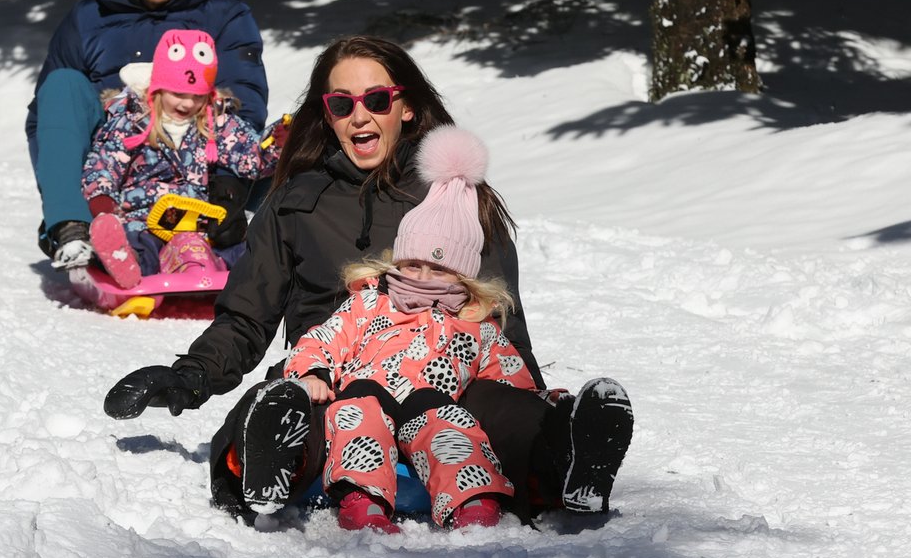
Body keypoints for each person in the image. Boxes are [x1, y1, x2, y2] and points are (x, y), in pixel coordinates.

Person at [103, 35, 633, 524]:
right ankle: (274, 459)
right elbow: (248, 315)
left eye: (376, 99)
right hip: (332, 380)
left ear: (407, 107)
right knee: (291, 404)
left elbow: (501, 327)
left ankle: (567, 454)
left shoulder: (454, 197)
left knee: (499, 411)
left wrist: (530, 401)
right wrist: (192, 376)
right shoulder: (295, 202)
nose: (361, 115)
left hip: (446, 385)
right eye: (341, 103)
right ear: (326, 115)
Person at [282, 124, 537, 533]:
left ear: (464, 275)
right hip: (367, 398)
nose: (421, 275)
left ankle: (473, 503)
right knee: (356, 412)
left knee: (453, 427)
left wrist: (541, 404)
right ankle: (362, 503)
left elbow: (510, 383)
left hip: (429, 409)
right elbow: (322, 340)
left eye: (438, 268)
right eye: (412, 263)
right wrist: (312, 373)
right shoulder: (370, 302)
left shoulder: (475, 323)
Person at [26, 0, 268, 270]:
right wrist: (82, 192)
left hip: (200, 173)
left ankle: (240, 251)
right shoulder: (88, 20)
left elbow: (244, 106)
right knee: (61, 86)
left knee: (294, 142)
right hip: (113, 170)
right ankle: (75, 227)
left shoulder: (226, 17)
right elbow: (48, 120)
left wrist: (228, 189)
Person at [81, 28, 288, 286]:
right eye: (178, 94)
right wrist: (104, 208)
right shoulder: (132, 121)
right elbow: (103, 165)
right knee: (144, 247)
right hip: (143, 220)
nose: (188, 104)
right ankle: (124, 259)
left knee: (233, 245)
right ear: (158, 89)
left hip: (196, 221)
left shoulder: (214, 120)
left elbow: (250, 159)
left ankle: (252, 270)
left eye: (197, 96)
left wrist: (277, 141)